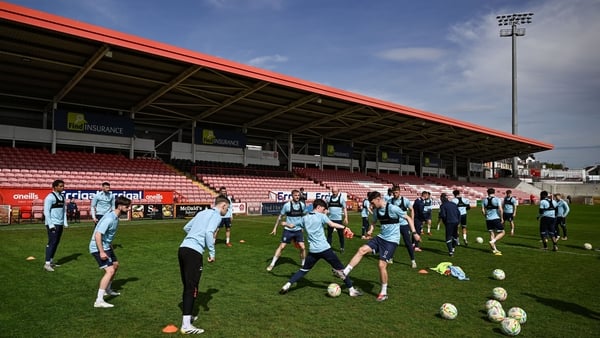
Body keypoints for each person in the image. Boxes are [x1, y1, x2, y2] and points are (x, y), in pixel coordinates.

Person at [341, 191, 419, 302]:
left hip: (391, 241)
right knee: (361, 250)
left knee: (382, 265)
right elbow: (373, 222)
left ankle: (384, 292)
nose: (371, 206)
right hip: (381, 238)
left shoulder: (393, 208)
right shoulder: (377, 211)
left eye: (372, 203)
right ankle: (345, 272)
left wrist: (414, 233)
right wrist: (371, 230)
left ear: (378, 199)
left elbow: (408, 218)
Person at [279, 199, 362, 297]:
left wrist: (285, 224)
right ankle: (351, 290)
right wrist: (344, 228)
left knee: (304, 270)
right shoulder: (322, 216)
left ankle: (287, 285)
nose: (324, 211)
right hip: (325, 249)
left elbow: (292, 225)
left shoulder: (304, 218)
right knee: (341, 270)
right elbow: (332, 224)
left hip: (313, 251)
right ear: (318, 207)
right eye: (323, 209)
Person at [178, 195, 230, 334]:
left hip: (183, 249)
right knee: (192, 287)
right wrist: (212, 252)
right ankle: (186, 326)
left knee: (188, 286)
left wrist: (195, 235)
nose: (227, 212)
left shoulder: (202, 212)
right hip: (194, 252)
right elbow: (208, 232)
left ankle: (187, 318)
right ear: (223, 206)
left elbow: (186, 227)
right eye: (228, 208)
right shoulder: (217, 216)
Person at [89, 195, 132, 308]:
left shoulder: (115, 217)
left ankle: (108, 289)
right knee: (110, 271)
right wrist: (102, 252)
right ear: (120, 206)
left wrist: (110, 246)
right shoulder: (109, 218)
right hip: (97, 247)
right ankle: (99, 300)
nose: (129, 209)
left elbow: (107, 235)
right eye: (127, 207)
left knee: (115, 265)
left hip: (106, 246)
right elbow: (98, 235)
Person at [267, 189, 306, 271]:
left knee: (302, 247)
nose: (297, 197)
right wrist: (275, 228)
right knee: (282, 246)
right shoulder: (287, 205)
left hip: (298, 230)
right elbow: (280, 218)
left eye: (298, 195)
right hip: (288, 230)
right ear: (292, 196)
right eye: (295, 195)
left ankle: (303, 264)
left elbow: (303, 217)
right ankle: (272, 264)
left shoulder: (302, 205)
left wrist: (302, 227)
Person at [43, 179, 68, 272]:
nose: (62, 187)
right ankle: (47, 264)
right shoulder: (50, 197)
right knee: (51, 243)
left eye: (63, 186)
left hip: (60, 224)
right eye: (60, 186)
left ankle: (51, 261)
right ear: (55, 187)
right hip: (53, 224)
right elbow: (46, 211)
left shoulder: (62, 197)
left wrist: (65, 223)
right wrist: (50, 224)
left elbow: (63, 211)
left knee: (56, 243)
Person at [389, 186, 417, 268]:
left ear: (399, 192)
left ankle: (413, 261)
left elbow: (412, 209)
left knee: (408, 243)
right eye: (393, 193)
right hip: (394, 225)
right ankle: (390, 258)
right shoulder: (390, 201)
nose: (394, 194)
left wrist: (411, 220)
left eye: (396, 192)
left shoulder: (405, 201)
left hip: (404, 225)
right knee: (393, 242)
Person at [481, 188, 504, 256]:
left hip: (488, 219)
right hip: (496, 218)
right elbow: (500, 209)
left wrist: (485, 216)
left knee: (492, 233)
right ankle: (492, 241)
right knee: (502, 232)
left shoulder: (484, 200)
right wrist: (502, 218)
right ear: (494, 192)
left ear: (487, 193)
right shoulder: (497, 199)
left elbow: (482, 210)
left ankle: (495, 250)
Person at [325, 187, 348, 253]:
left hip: (338, 220)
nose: (334, 193)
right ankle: (329, 248)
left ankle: (342, 248)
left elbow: (344, 208)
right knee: (329, 234)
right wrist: (325, 215)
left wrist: (346, 217)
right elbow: (326, 208)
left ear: (338, 191)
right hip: (330, 220)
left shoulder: (341, 199)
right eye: (333, 191)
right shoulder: (328, 199)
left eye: (335, 191)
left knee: (340, 235)